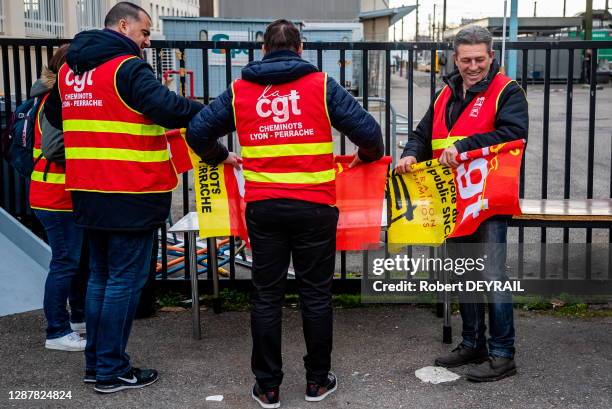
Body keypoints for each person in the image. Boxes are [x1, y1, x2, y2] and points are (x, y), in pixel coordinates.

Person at [187, 19, 383, 408]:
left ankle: (268, 387)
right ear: (300, 48)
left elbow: (197, 133)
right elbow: (372, 137)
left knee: (265, 296)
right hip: (315, 207)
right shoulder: (322, 86)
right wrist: (363, 158)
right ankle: (316, 382)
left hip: (265, 208)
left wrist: (223, 156)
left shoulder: (239, 91)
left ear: (262, 50)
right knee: (315, 294)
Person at [46, 1, 202, 393]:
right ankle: (111, 370)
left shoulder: (69, 71)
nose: (147, 41)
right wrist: (211, 110)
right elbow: (167, 108)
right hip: (130, 189)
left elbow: (52, 115)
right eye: (144, 32)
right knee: (122, 283)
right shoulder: (126, 67)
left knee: (99, 277)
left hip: (87, 190)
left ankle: (97, 364)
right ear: (122, 25)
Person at [395, 25, 528, 382]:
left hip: (488, 197)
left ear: (491, 57)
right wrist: (410, 154)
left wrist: (465, 148)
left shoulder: (507, 91)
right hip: (453, 197)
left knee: (493, 275)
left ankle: (503, 355)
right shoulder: (446, 93)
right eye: (466, 59)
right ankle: (473, 344)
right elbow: (424, 134)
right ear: (455, 58)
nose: (472, 66)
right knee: (466, 272)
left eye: (479, 60)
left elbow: (513, 133)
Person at [30, 44, 88, 352]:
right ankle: (56, 330)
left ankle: (77, 319)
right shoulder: (54, 100)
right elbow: (55, 149)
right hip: (55, 194)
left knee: (74, 262)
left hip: (58, 192)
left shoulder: (48, 96)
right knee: (65, 263)